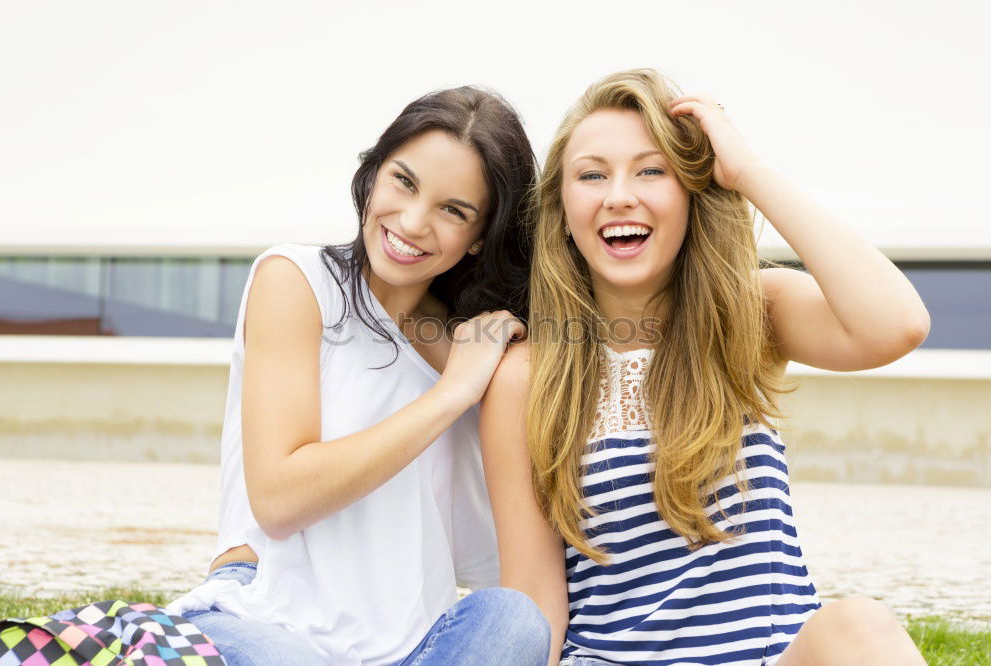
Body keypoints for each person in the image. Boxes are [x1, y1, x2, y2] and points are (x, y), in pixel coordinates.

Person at [480, 69, 929, 665]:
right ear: (563, 210)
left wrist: (748, 173)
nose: (619, 194)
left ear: (690, 192)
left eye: (652, 170)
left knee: (860, 626)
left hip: (769, 656)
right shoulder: (526, 376)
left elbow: (896, 324)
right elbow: (535, 599)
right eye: (592, 174)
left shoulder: (751, 313)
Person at [166, 86, 550, 665]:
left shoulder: (469, 350)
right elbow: (278, 498)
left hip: (411, 643)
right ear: (373, 174)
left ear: (479, 239)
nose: (413, 221)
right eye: (404, 181)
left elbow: (509, 544)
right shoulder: (296, 281)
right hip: (265, 616)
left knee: (514, 620)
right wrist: (451, 396)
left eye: (454, 210)